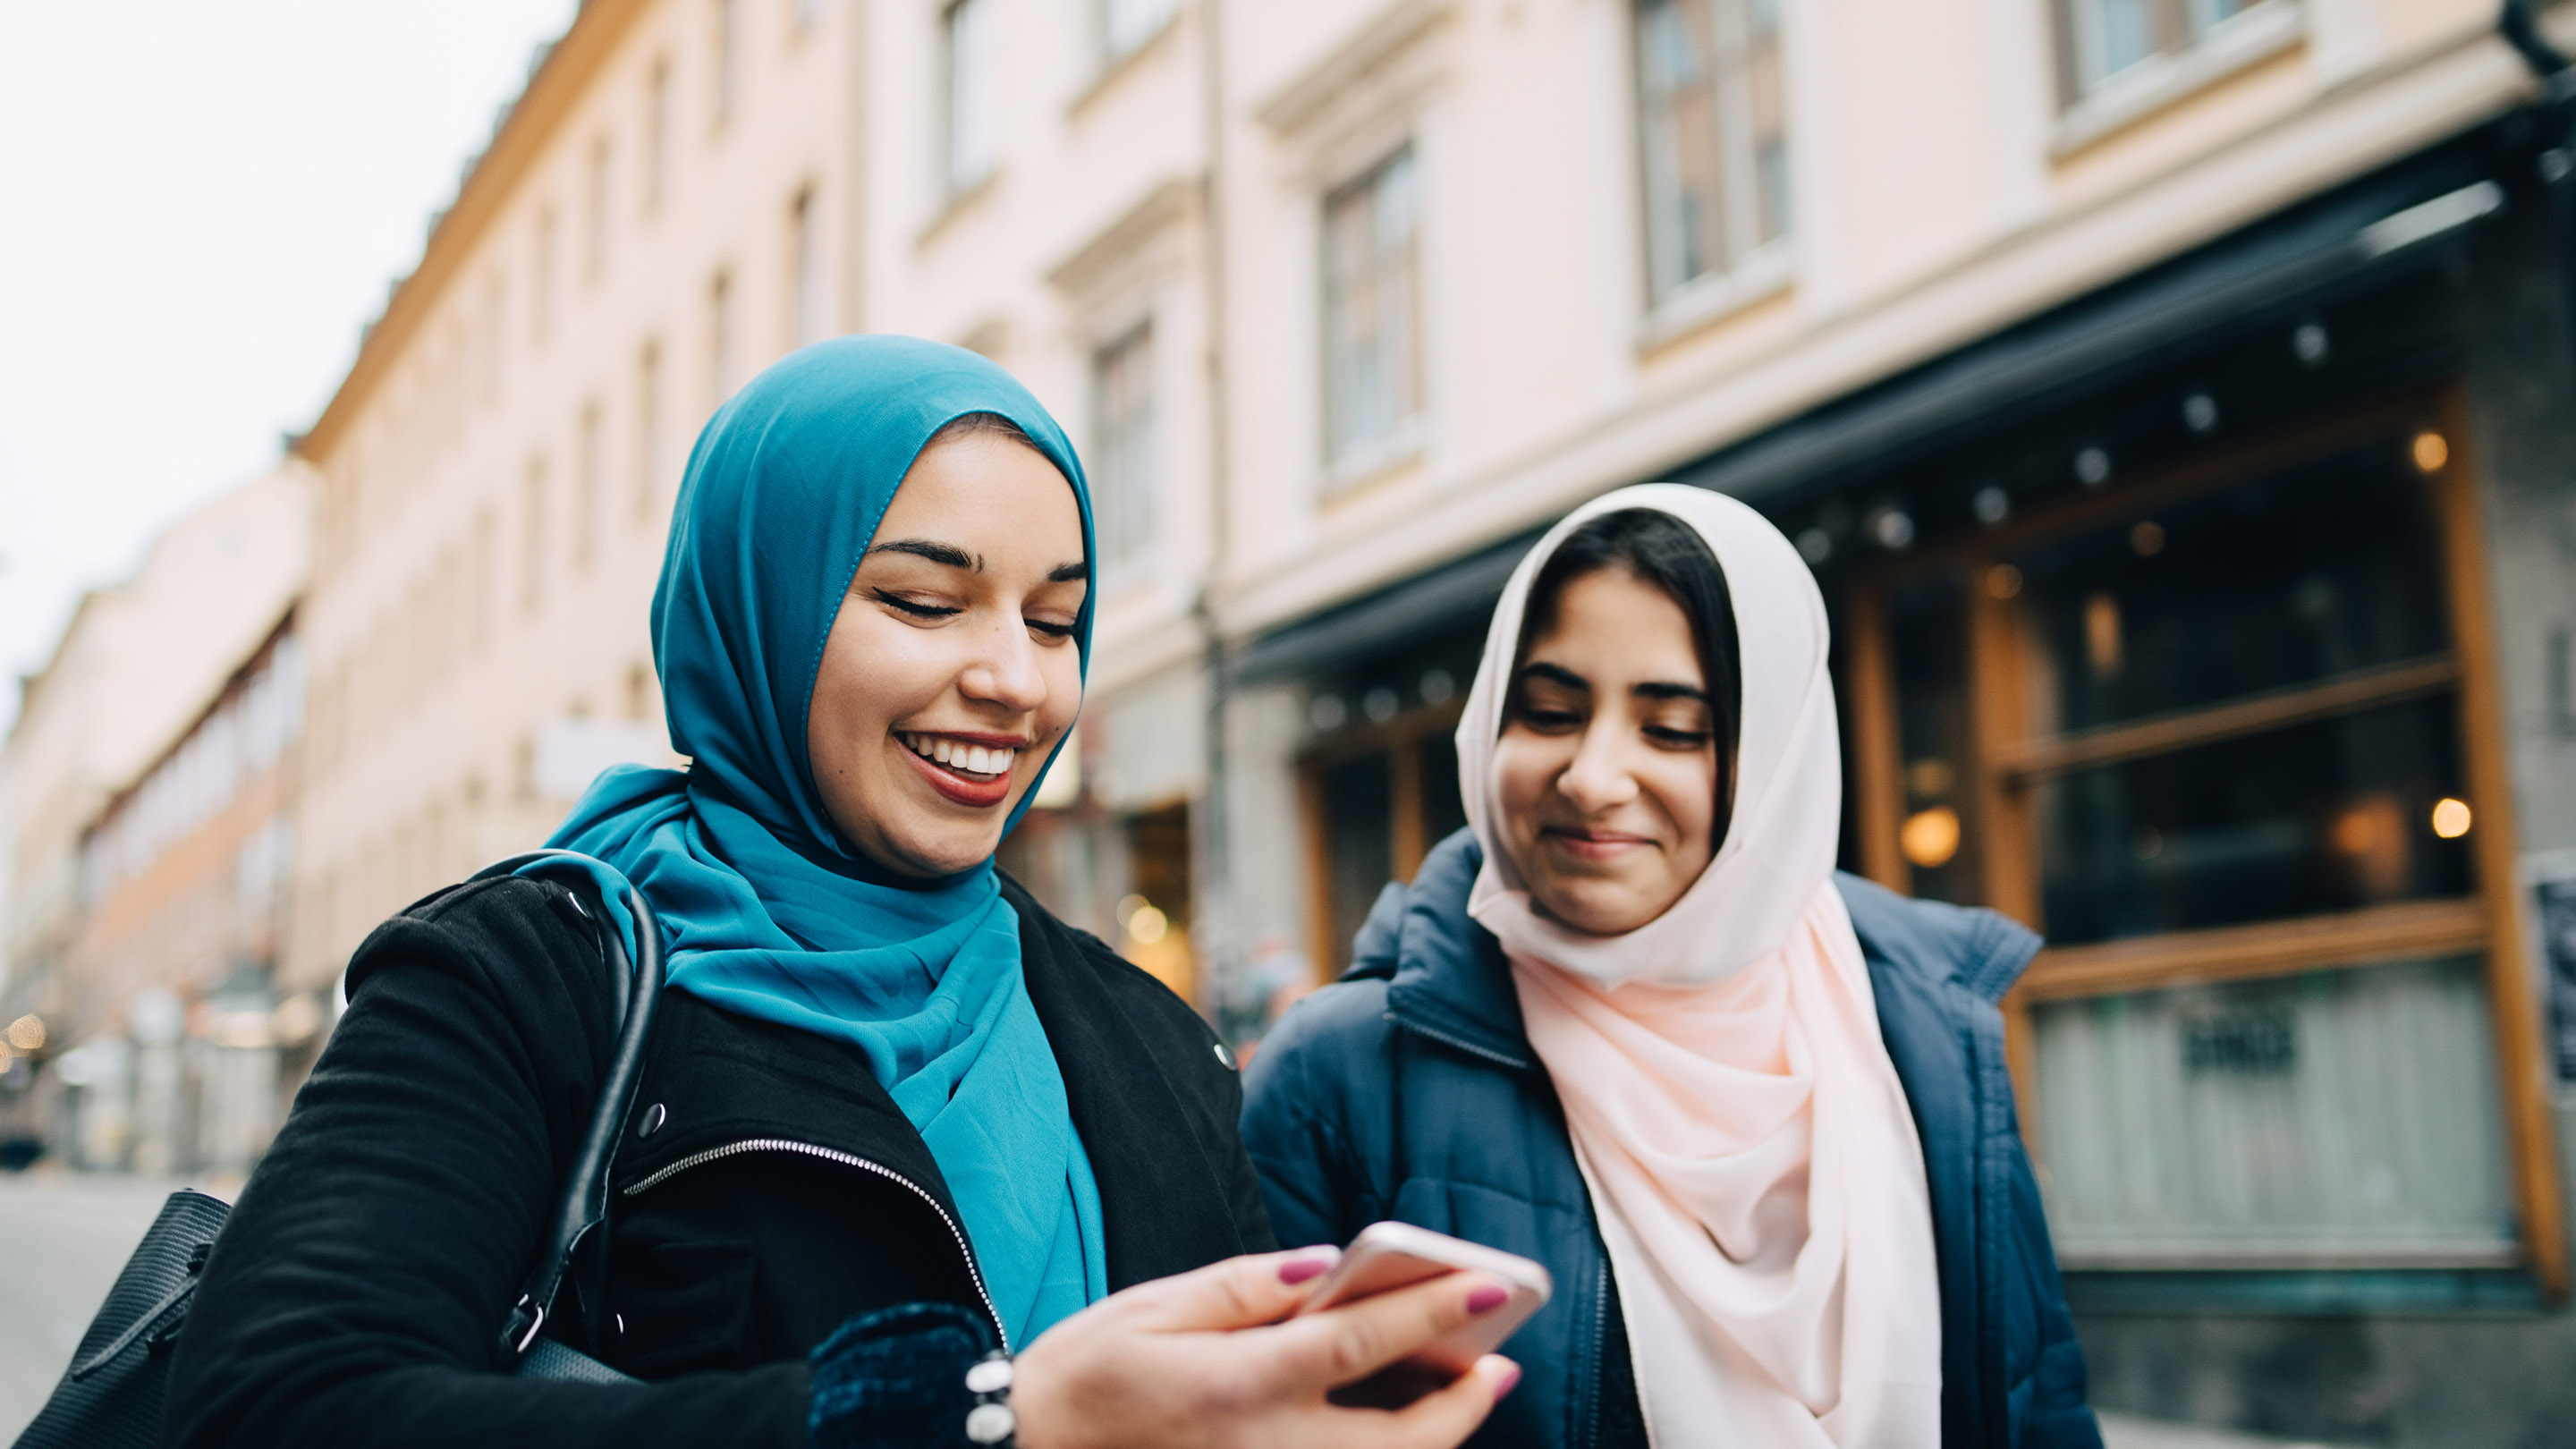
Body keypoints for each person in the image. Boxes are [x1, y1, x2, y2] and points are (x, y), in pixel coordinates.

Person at [168, 337, 1519, 1449]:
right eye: (926, 604)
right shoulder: (526, 978)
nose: (1015, 679)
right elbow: (276, 1404)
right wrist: (983, 1421)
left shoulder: (1143, 1033)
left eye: (1055, 622)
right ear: (758, 608)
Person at [1241, 486, 2102, 1448]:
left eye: (1673, 729)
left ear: (1775, 759)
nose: (1594, 778)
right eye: (1552, 711)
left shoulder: (1932, 1023)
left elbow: (2042, 1400)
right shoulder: (1337, 1076)